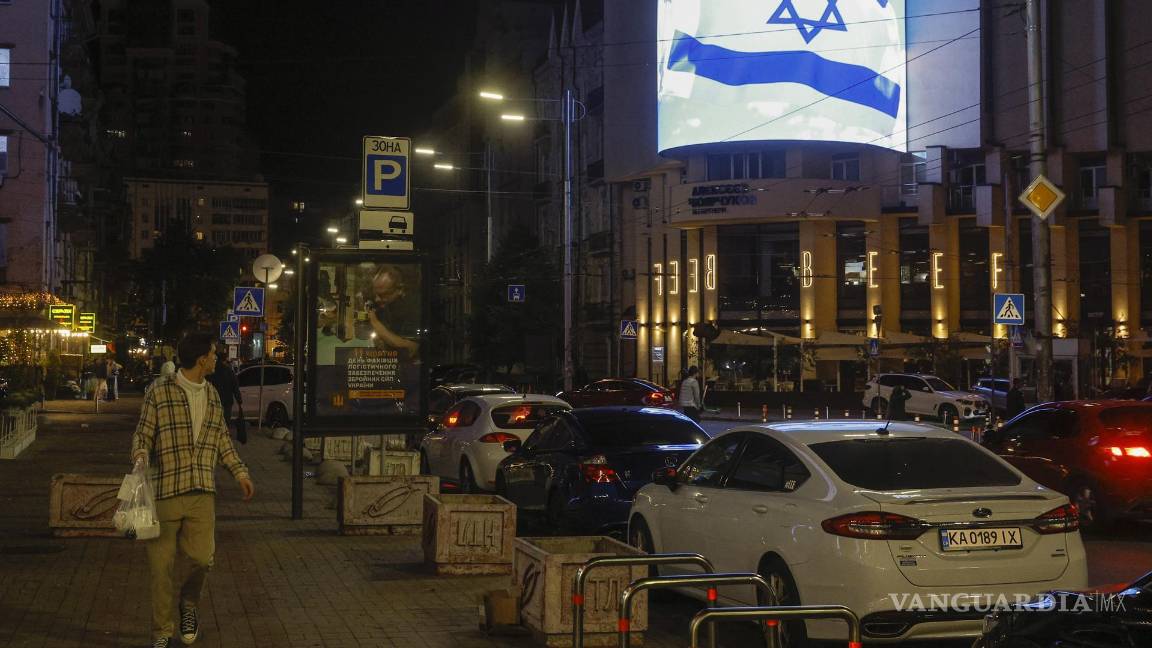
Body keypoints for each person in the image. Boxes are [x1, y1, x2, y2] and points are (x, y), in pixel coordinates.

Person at [131, 332, 254, 648]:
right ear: (202, 359)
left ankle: (189, 605)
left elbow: (222, 440)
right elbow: (143, 434)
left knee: (202, 559)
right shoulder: (160, 391)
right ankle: (161, 631)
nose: (216, 358)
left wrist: (240, 472)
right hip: (165, 493)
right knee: (161, 569)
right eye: (213, 353)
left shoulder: (212, 394)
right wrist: (141, 456)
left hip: (202, 492)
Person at [205, 351, 243, 443]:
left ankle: (214, 438)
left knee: (214, 421)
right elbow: (235, 386)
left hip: (213, 401)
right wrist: (239, 400)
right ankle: (223, 439)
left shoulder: (211, 371)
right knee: (225, 421)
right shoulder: (229, 371)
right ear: (224, 359)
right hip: (226, 401)